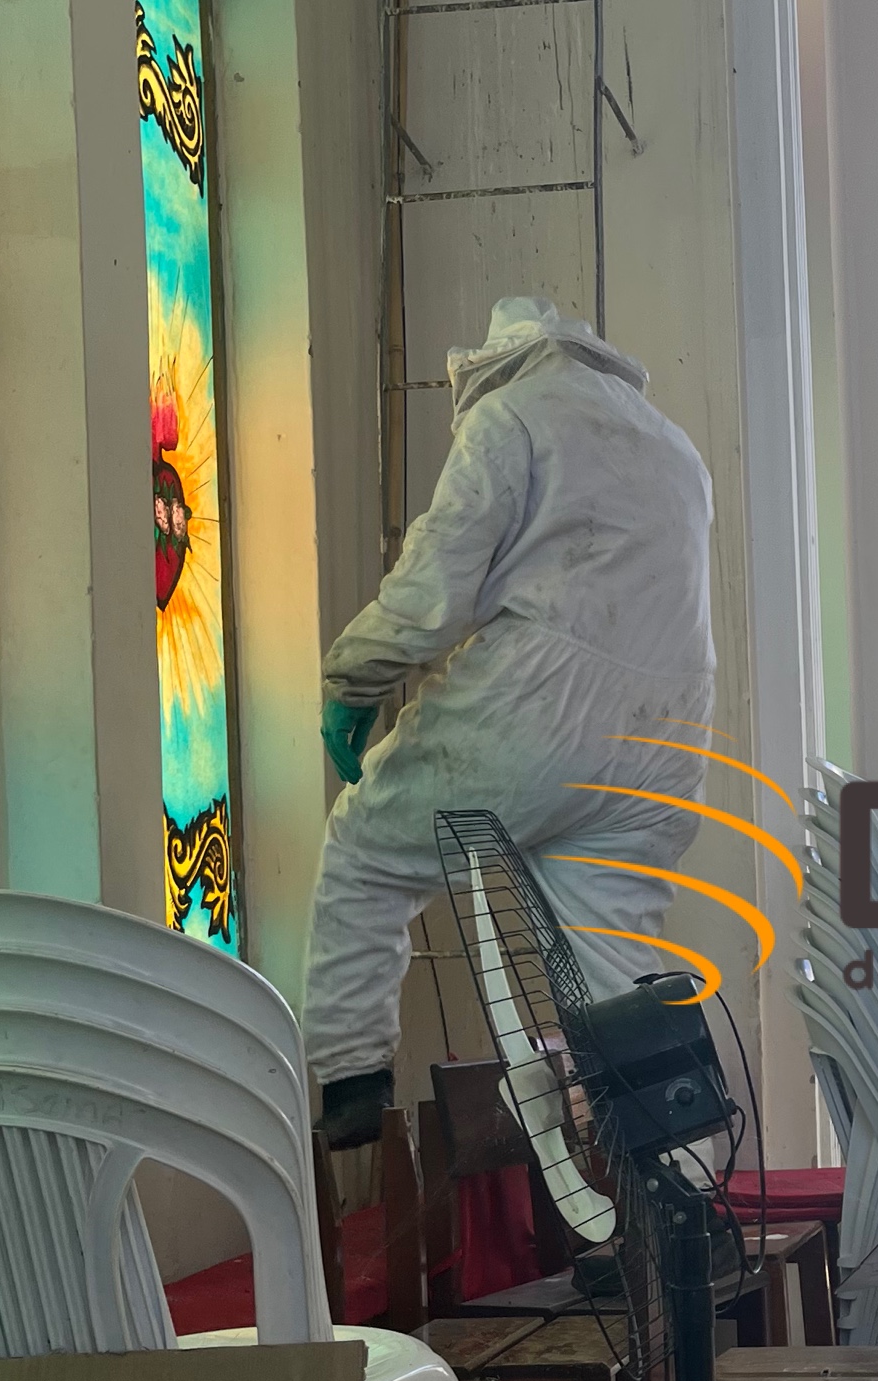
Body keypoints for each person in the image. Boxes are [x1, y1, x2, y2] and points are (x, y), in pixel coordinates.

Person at [305, 297, 716, 1145]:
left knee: (365, 857)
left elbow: (433, 592)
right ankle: (683, 1186)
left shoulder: (511, 416)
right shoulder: (676, 448)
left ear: (493, 366)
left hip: (541, 709)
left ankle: (352, 1090)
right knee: (619, 981)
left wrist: (355, 679)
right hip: (666, 742)